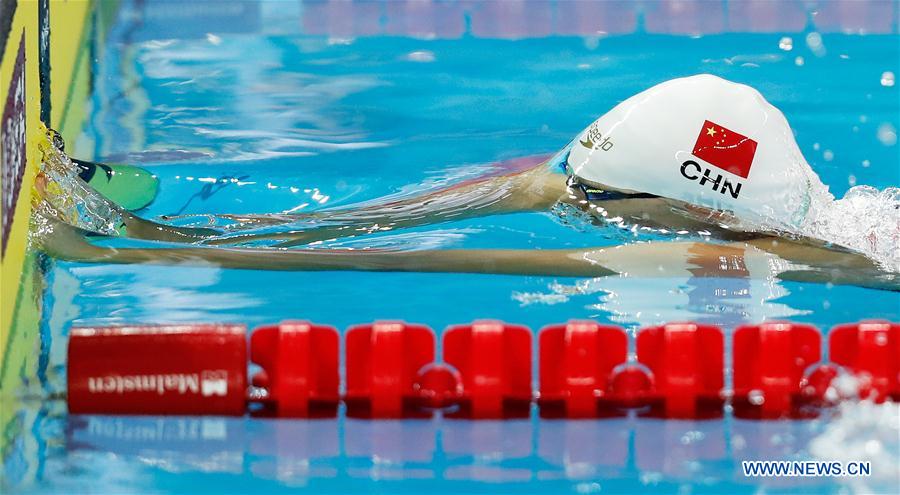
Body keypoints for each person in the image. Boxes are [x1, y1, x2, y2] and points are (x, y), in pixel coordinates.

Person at [36, 75, 899, 291]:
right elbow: (408, 221)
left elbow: (444, 261)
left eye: (588, 197)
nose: (567, 196)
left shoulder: (740, 260)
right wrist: (166, 238)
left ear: (698, 210)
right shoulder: (734, 203)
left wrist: (128, 259)